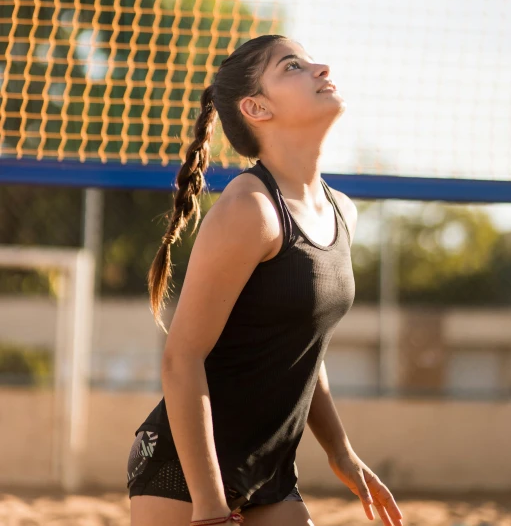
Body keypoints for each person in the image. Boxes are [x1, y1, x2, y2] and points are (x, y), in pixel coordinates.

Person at [127, 34, 403, 526]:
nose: (321, 67)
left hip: (270, 471)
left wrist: (341, 451)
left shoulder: (342, 211)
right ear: (256, 107)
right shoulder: (248, 208)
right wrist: (209, 506)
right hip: (185, 473)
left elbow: (301, 346)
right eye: (293, 66)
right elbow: (181, 357)